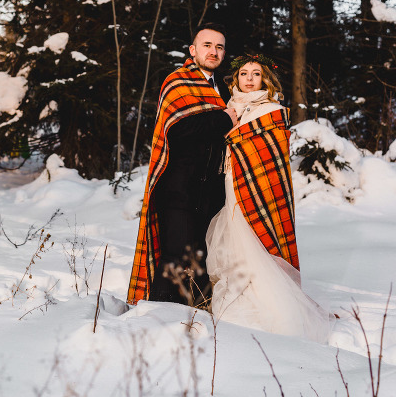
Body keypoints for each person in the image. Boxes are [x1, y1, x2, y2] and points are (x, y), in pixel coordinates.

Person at [206, 54, 330, 341]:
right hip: (232, 181)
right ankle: (242, 292)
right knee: (236, 239)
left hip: (259, 185)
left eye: (256, 74)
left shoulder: (271, 110)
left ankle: (270, 302)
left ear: (266, 79)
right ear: (235, 79)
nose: (249, 79)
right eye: (244, 74)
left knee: (257, 239)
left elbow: (270, 156)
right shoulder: (230, 108)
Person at [127, 23, 238, 306]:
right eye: (207, 45)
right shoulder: (178, 82)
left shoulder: (226, 91)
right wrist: (224, 119)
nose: (213, 51)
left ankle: (196, 319)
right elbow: (178, 131)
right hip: (179, 187)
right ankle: (157, 316)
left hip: (211, 190)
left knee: (203, 257)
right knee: (176, 257)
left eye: (219, 47)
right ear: (193, 50)